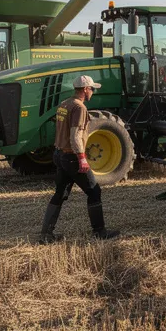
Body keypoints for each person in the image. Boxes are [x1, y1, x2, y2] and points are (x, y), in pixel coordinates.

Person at [38, 76, 120, 242]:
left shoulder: (64, 104)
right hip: (72, 156)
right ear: (85, 89)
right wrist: (82, 158)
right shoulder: (79, 108)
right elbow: (76, 135)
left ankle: (46, 234)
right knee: (94, 191)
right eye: (92, 89)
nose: (93, 92)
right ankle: (99, 232)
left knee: (60, 193)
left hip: (59, 154)